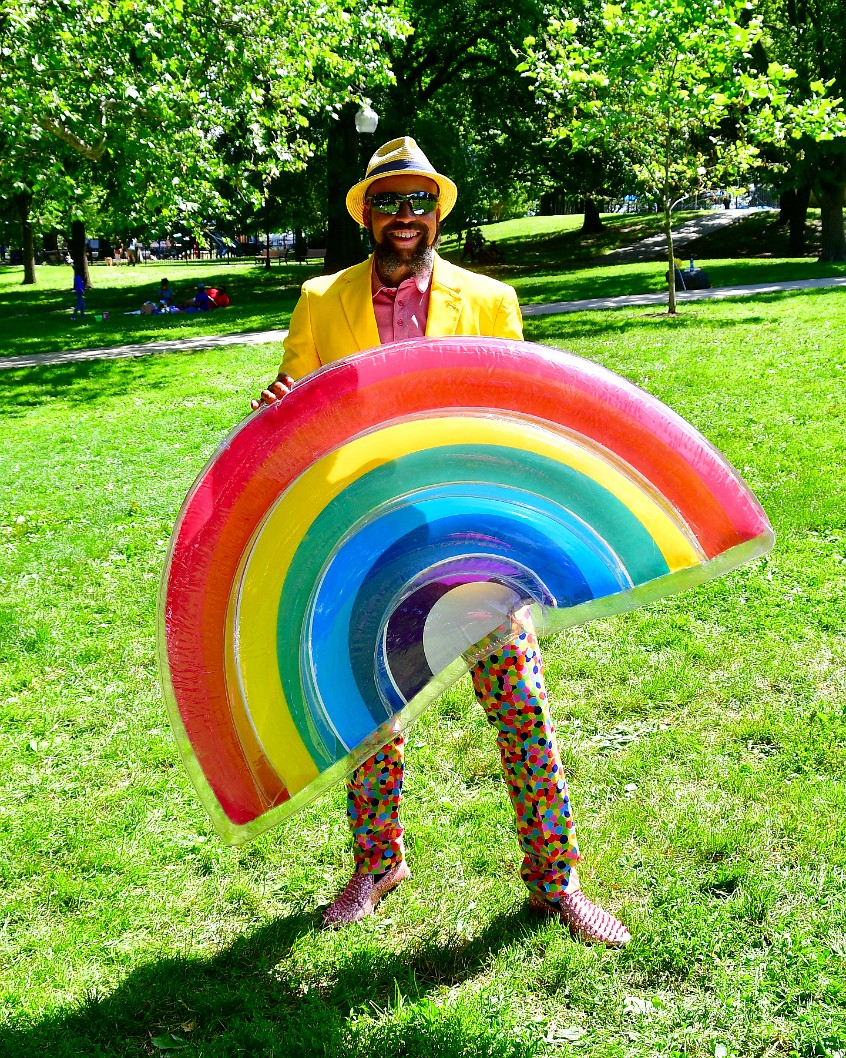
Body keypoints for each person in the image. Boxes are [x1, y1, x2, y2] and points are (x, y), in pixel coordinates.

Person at [252, 137, 630, 947]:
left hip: (469, 537)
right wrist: (277, 408)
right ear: (366, 213)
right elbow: (296, 411)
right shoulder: (322, 300)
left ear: (436, 211)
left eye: (418, 202)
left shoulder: (490, 300)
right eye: (387, 202)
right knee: (367, 719)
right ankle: (377, 864)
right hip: (366, 536)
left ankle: (555, 881)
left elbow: (519, 416)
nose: (404, 217)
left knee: (521, 706)